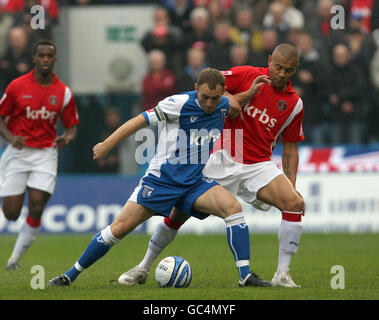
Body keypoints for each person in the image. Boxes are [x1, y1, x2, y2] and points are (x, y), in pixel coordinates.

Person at [48, 68, 272, 288]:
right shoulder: (177, 103)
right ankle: (70, 275)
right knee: (119, 229)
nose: (210, 104)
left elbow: (233, 104)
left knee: (232, 208)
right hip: (161, 182)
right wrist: (107, 145)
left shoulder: (222, 103)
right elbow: (137, 121)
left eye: (215, 98)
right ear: (196, 89)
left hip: (194, 182)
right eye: (205, 97)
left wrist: (249, 94)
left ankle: (245, 277)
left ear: (223, 93)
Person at [120, 44, 306, 288]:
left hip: (258, 164)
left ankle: (282, 274)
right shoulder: (247, 74)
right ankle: (143, 266)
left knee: (294, 203)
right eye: (278, 67)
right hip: (221, 156)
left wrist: (292, 186)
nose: (281, 74)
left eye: (288, 70)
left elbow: (291, 148)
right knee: (178, 214)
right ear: (269, 60)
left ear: (295, 70)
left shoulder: (294, 104)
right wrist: (228, 97)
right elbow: (212, 80)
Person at [0, 39, 79, 270]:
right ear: (34, 59)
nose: (45, 59)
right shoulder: (16, 86)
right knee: (12, 213)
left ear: (54, 60)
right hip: (18, 152)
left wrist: (68, 137)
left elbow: (72, 125)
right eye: (41, 56)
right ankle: (18, 191)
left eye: (49, 56)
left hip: (46, 153)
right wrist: (10, 137)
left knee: (36, 206)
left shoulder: (63, 92)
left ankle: (14, 260)